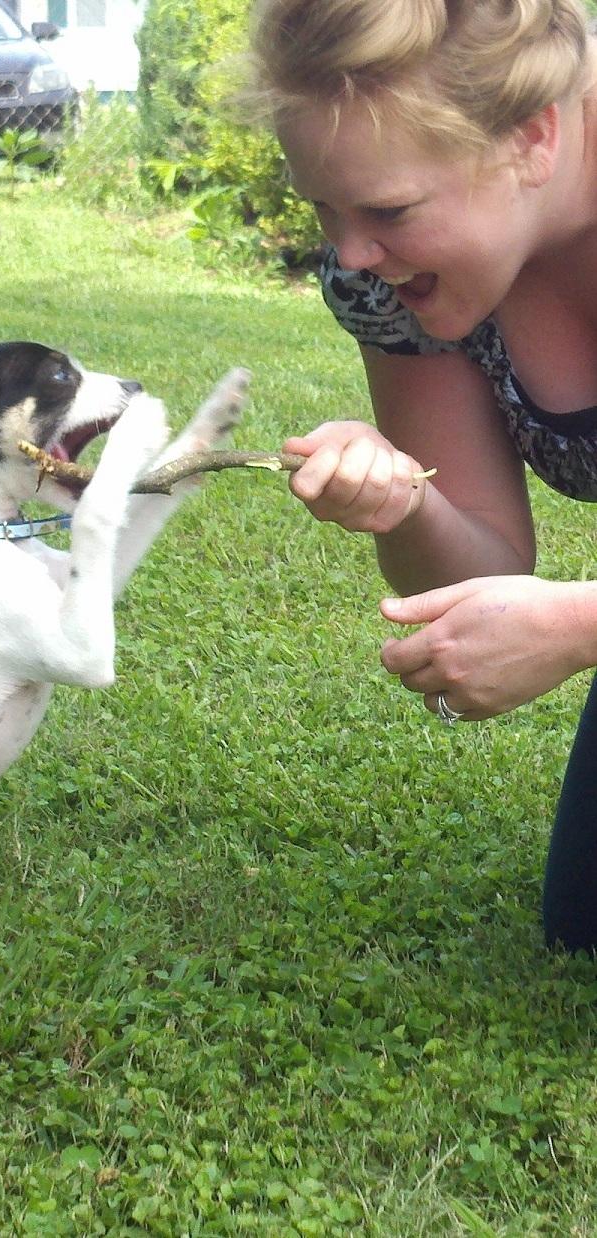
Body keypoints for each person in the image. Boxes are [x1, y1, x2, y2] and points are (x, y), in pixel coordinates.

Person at [246, 0, 597, 952]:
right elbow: (480, 560)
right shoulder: (389, 282)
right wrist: (404, 499)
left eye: (390, 211)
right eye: (325, 206)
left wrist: (577, 623)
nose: (350, 252)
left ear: (534, 136)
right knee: (586, 929)